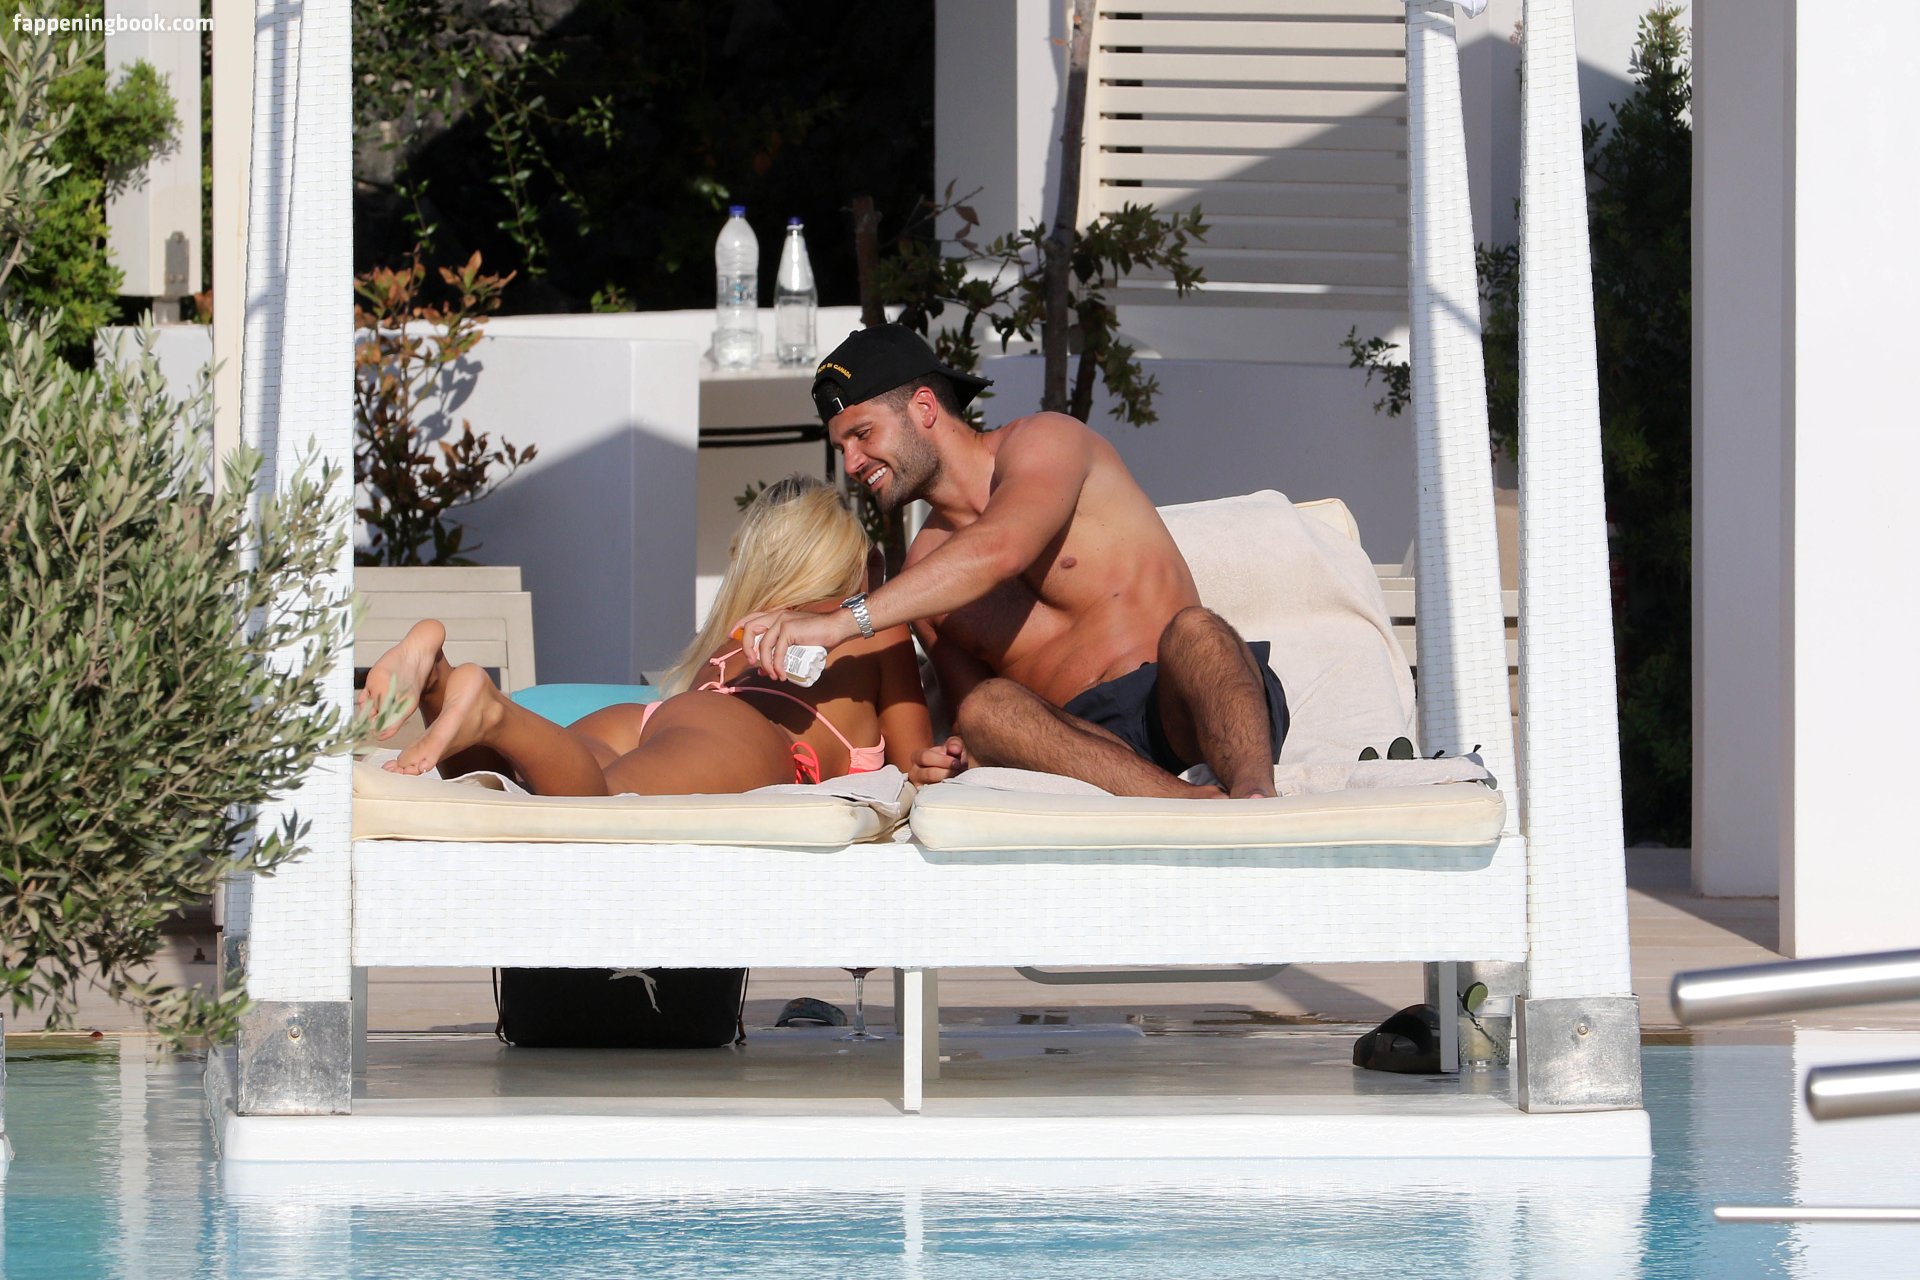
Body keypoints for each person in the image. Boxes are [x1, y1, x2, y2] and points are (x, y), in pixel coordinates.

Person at [734, 324, 1286, 800]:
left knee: (1199, 631)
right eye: (842, 449)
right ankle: (1191, 807)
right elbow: (976, 717)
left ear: (924, 408)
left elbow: (1000, 548)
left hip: (1177, 702)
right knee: (985, 708)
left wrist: (840, 622)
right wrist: (951, 757)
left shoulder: (1045, 440)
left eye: (862, 434)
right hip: (1085, 748)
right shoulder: (924, 580)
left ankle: (1255, 800)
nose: (853, 463)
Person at [361, 474, 931, 795]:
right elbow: (915, 768)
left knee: (525, 792)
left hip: (647, 717)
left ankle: (437, 678)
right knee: (600, 808)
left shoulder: (736, 637)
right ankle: (493, 711)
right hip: (740, 734)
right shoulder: (869, 627)